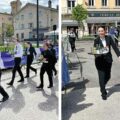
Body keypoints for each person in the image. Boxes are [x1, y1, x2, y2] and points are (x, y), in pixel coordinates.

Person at [94, 26, 120, 100]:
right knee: (101, 77)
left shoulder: (109, 38)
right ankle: (103, 93)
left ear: (104, 31)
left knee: (108, 76)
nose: (101, 32)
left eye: (102, 31)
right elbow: (95, 50)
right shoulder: (96, 40)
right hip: (99, 61)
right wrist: (98, 52)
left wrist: (119, 55)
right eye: (99, 31)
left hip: (108, 61)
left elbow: (115, 47)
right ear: (98, 32)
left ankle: (102, 85)